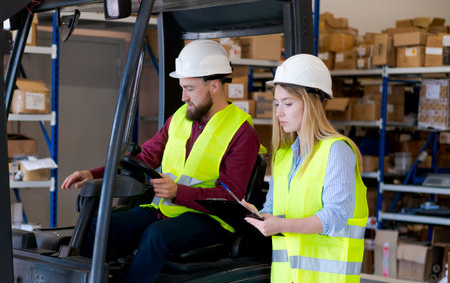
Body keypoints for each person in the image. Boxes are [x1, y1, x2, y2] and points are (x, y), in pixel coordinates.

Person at [61, 39, 261, 283]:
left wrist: (179, 192)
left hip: (212, 220)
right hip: (165, 210)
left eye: (189, 88)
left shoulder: (242, 131)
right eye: (182, 88)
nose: (183, 96)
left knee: (157, 236)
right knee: (100, 226)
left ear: (215, 86)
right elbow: (143, 157)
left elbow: (230, 197)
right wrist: (94, 173)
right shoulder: (180, 118)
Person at [243, 54, 368, 282]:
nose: (279, 113)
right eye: (277, 104)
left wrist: (281, 224)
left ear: (310, 104)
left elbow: (335, 216)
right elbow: (273, 208)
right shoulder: (283, 156)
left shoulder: (337, 150)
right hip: (285, 276)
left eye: (288, 104)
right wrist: (256, 214)